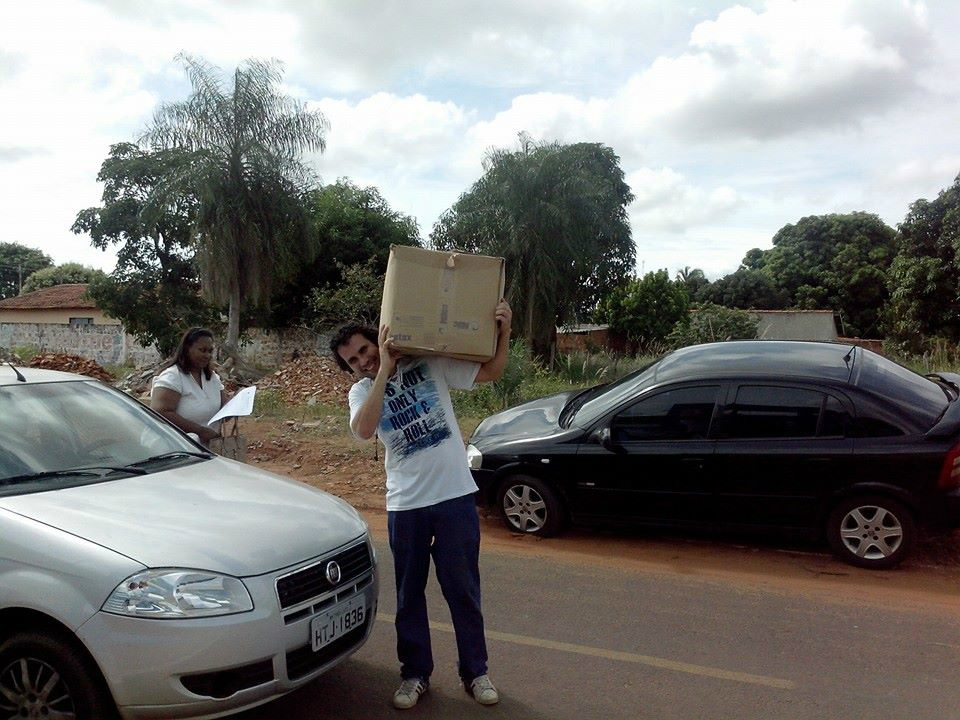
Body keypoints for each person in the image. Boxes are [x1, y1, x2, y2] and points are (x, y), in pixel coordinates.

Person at [331, 299, 512, 710]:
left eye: (364, 350)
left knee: (463, 590)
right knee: (409, 593)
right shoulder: (361, 390)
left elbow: (490, 372)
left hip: (453, 496)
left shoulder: (429, 363)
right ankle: (415, 674)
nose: (361, 360)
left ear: (378, 339)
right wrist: (382, 373)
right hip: (406, 503)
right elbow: (363, 429)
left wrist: (504, 331)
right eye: (352, 360)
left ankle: (476, 671)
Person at [150, 327, 230, 445]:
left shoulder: (212, 377)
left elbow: (224, 411)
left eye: (210, 351)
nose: (207, 355)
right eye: (202, 350)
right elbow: (160, 412)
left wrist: (240, 402)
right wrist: (200, 431)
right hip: (173, 448)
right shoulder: (173, 376)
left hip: (205, 449)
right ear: (187, 349)